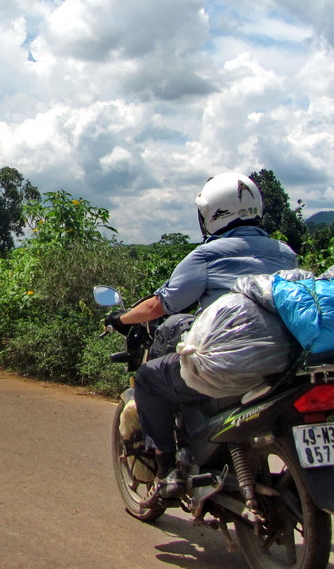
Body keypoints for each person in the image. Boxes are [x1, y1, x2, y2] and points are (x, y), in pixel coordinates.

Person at [105, 172, 298, 500]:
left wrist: (120, 319)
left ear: (210, 213)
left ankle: (165, 470)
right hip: (283, 360)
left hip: (228, 361)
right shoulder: (284, 252)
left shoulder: (207, 256)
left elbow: (159, 305)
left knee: (151, 377)